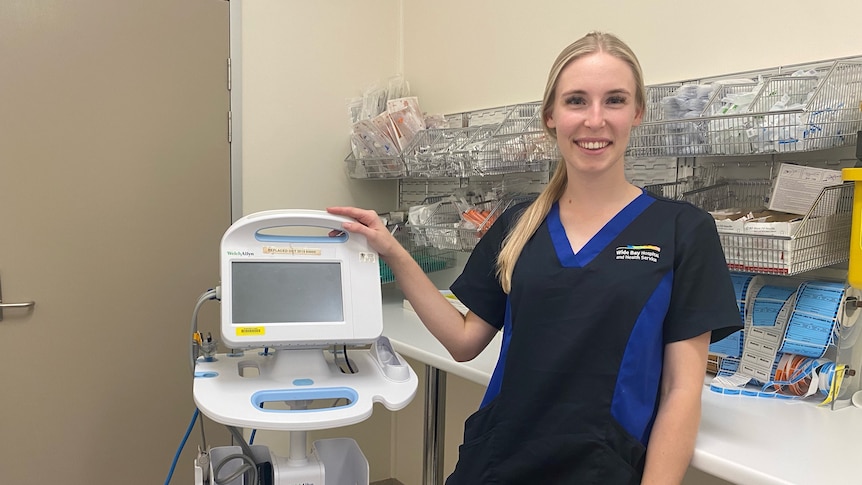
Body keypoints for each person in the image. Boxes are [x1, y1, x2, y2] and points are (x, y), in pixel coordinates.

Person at [328, 31, 742, 485]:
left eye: (615, 100)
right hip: (498, 461)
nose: (595, 119)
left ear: (637, 113)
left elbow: (681, 391)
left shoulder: (683, 231)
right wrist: (393, 250)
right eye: (577, 101)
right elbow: (465, 342)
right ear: (551, 116)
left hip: (602, 468)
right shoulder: (518, 222)